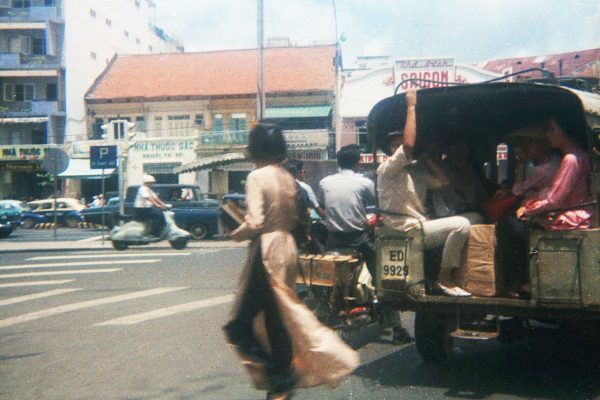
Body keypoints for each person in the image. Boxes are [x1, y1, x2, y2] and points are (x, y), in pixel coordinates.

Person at [223, 123, 358, 400]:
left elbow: (256, 221)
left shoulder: (257, 176)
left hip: (267, 249)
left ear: (254, 148)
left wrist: (234, 233)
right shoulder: (288, 177)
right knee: (277, 319)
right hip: (287, 248)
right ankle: (280, 384)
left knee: (240, 324)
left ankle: (279, 380)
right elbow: (299, 217)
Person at [376, 89, 474, 297]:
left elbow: (445, 184)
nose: (400, 148)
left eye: (400, 144)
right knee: (461, 224)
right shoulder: (387, 169)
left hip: (419, 226)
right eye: (396, 145)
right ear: (390, 150)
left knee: (476, 218)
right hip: (404, 228)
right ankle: (445, 278)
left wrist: (428, 160)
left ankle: (464, 275)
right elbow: (409, 145)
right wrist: (411, 106)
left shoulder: (416, 171)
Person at [497, 118, 593, 297]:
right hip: (575, 213)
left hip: (569, 217)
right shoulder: (579, 155)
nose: (548, 135)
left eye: (552, 130)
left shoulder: (570, 159)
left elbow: (553, 200)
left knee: (508, 226)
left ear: (565, 132)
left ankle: (520, 283)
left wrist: (527, 210)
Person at [319, 144, 377, 277]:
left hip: (333, 239)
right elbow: (377, 203)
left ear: (338, 163)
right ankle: (378, 289)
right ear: (357, 163)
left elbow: (322, 204)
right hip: (359, 238)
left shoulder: (324, 182)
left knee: (327, 273)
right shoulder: (364, 182)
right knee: (377, 262)